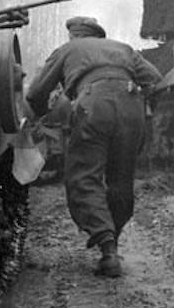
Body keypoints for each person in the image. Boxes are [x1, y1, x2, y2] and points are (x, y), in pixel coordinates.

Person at [25, 15, 163, 277]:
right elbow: (155, 80)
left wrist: (42, 114)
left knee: (84, 175)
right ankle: (112, 242)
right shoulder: (123, 48)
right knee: (121, 178)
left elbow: (35, 93)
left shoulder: (69, 49)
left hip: (94, 104)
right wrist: (144, 111)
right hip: (132, 106)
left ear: (74, 35)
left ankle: (107, 246)